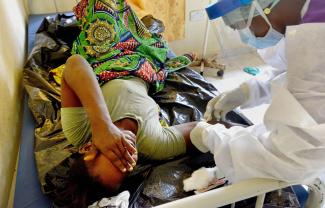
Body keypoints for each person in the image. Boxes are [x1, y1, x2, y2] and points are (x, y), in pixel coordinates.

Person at [58, 0, 201, 206]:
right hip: (143, 63)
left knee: (101, 8)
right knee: (154, 40)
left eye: (115, 155)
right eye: (127, 165)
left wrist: (103, 125)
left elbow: (75, 64)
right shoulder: (155, 144)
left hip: (103, 57)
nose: (128, 153)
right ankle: (154, 37)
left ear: (88, 148)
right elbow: (203, 131)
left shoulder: (80, 132)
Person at [190, 0, 325, 186]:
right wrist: (247, 91)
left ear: (264, 6)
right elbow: (294, 73)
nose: (245, 36)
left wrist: (213, 137)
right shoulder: (309, 14)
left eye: (240, 26)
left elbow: (293, 158)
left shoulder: (318, 38)